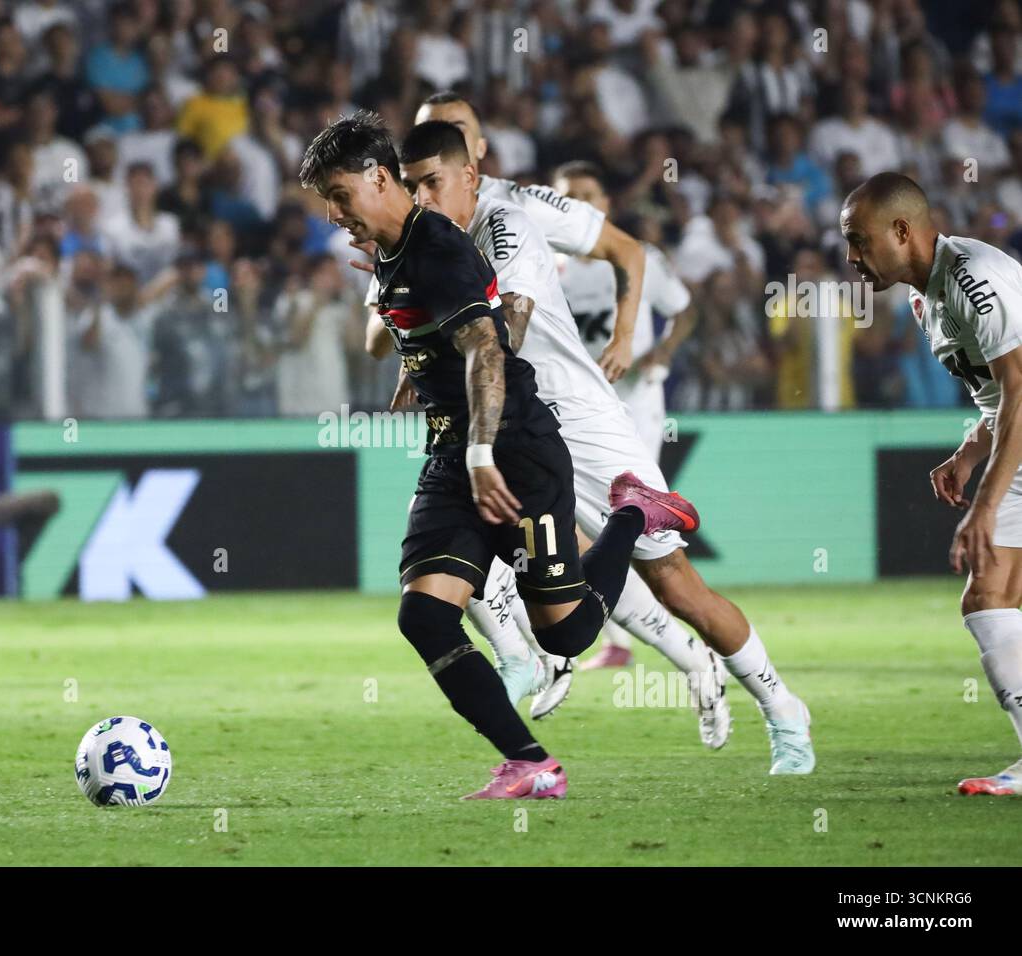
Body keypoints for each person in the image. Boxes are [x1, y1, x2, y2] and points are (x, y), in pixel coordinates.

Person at [397, 95, 814, 773]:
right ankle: (528, 661)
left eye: (450, 150)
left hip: (573, 419)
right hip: (503, 426)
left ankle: (782, 708)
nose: (423, 185)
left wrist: (625, 335)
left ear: (474, 156)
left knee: (673, 581)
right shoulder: (415, 232)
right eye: (413, 168)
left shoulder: (514, 216)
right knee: (450, 555)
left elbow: (526, 323)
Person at [302, 110, 699, 798]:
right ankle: (531, 762)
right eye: (327, 203)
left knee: (568, 636)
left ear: (377, 177)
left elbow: (487, 346)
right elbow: (427, 334)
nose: (335, 215)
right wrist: (415, 373)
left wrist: (484, 451)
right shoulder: (395, 255)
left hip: (516, 449)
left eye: (339, 196)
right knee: (423, 614)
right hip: (454, 453)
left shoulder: (439, 248)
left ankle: (634, 512)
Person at [842, 171, 1022, 796]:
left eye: (860, 241)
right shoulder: (926, 299)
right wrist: (969, 452)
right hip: (1015, 440)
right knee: (990, 599)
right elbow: (1000, 398)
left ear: (901, 230)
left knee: (993, 589)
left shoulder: (975, 277)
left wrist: (985, 505)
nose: (852, 258)